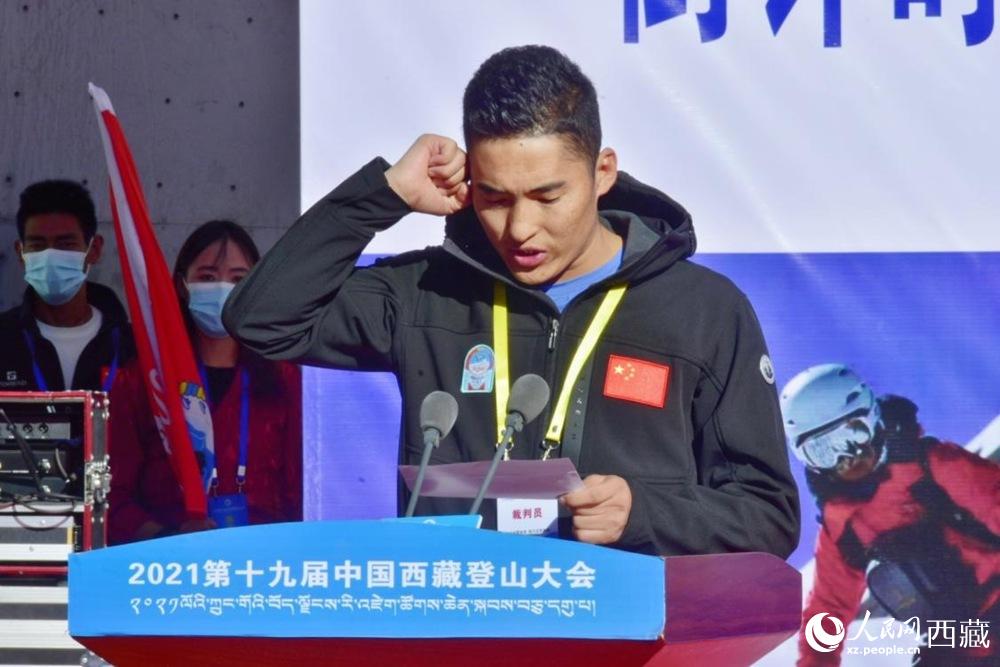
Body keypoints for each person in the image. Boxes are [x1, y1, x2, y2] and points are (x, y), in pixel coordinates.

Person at [224, 45, 799, 556]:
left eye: (548, 196)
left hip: (627, 629)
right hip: (462, 620)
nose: (519, 228)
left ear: (602, 173)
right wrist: (385, 194)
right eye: (495, 198)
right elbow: (261, 320)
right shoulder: (428, 292)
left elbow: (768, 516)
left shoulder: (702, 310)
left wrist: (643, 515)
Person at [782, 364, 999, 666]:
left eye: (852, 435)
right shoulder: (843, 526)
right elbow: (828, 609)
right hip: (960, 640)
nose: (846, 457)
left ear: (873, 420)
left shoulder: (931, 466)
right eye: (823, 451)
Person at [108, 220, 302, 544]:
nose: (222, 289)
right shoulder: (144, 380)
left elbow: (305, 488)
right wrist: (171, 537)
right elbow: (113, 494)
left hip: (265, 559)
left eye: (238, 279)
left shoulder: (286, 378)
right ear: (182, 285)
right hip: (167, 559)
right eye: (208, 277)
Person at [0, 180, 134, 392]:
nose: (50, 255)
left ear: (94, 249)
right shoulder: (4, 338)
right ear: (20, 252)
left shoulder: (133, 347)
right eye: (37, 245)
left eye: (66, 244)